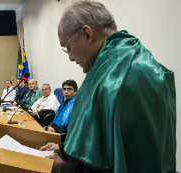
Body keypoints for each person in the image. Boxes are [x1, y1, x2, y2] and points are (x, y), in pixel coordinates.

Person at [40, 1, 176, 173]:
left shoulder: (107, 81)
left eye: (68, 47)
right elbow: (112, 139)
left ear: (87, 34)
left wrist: (59, 166)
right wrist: (65, 148)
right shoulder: (144, 62)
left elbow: (94, 165)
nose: (71, 58)